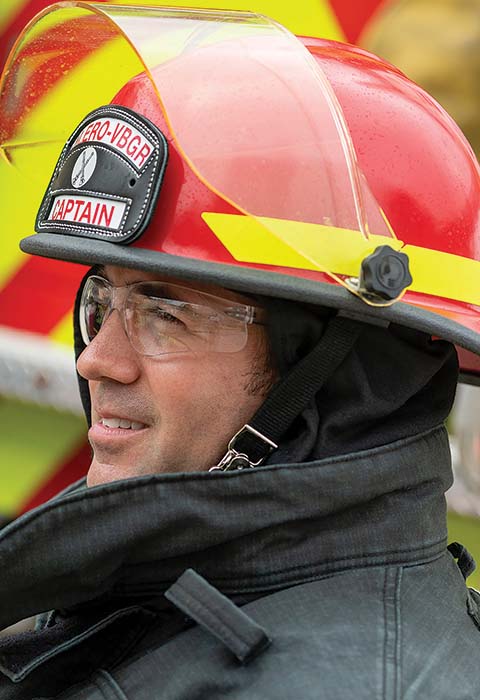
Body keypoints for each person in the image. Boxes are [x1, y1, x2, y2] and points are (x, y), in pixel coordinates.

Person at [0, 5, 480, 699]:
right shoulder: (167, 597)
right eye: (102, 304)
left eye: (164, 316)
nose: (96, 360)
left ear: (331, 372)